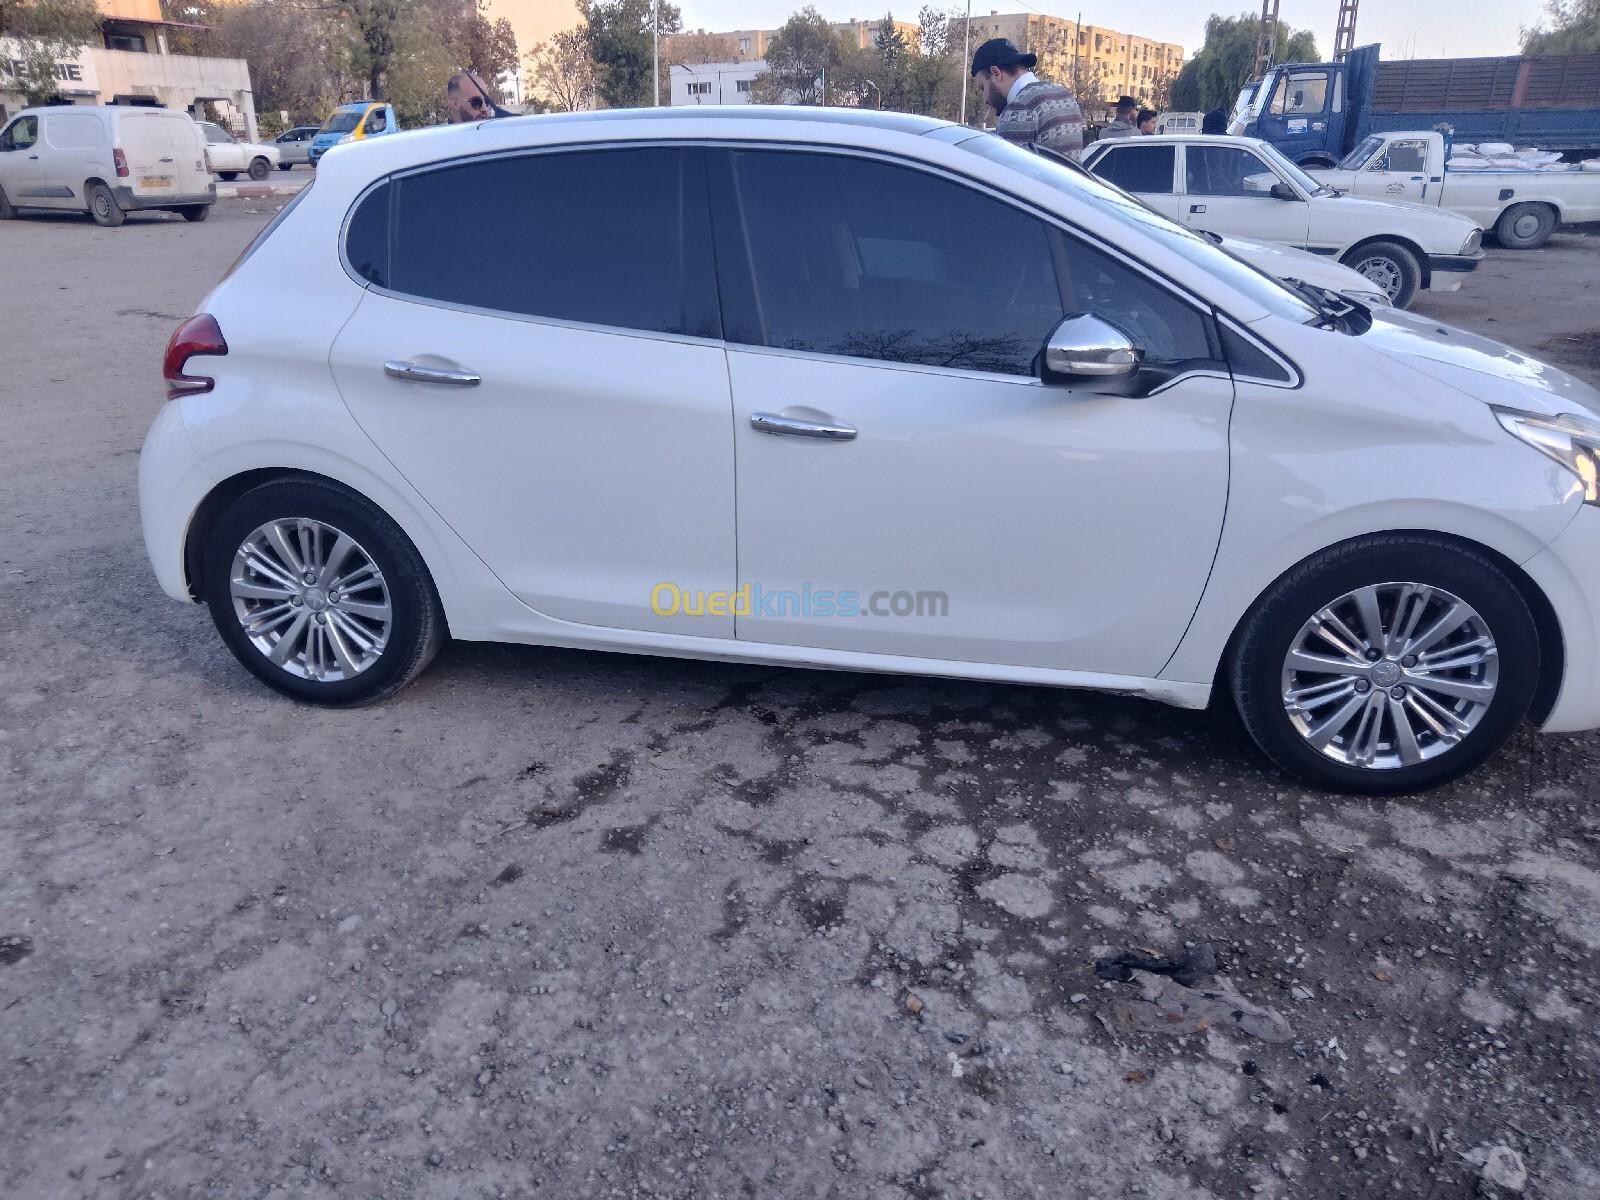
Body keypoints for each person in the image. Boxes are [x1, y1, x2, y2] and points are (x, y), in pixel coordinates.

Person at [969, 37, 1083, 158]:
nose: (985, 99)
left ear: (996, 73)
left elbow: (1007, 173)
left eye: (982, 88)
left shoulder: (1018, 110)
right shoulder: (1064, 96)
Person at [447, 70, 517, 123]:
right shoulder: (441, 140)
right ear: (455, 104)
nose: (485, 109)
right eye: (476, 103)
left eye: (487, 102)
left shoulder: (500, 137)